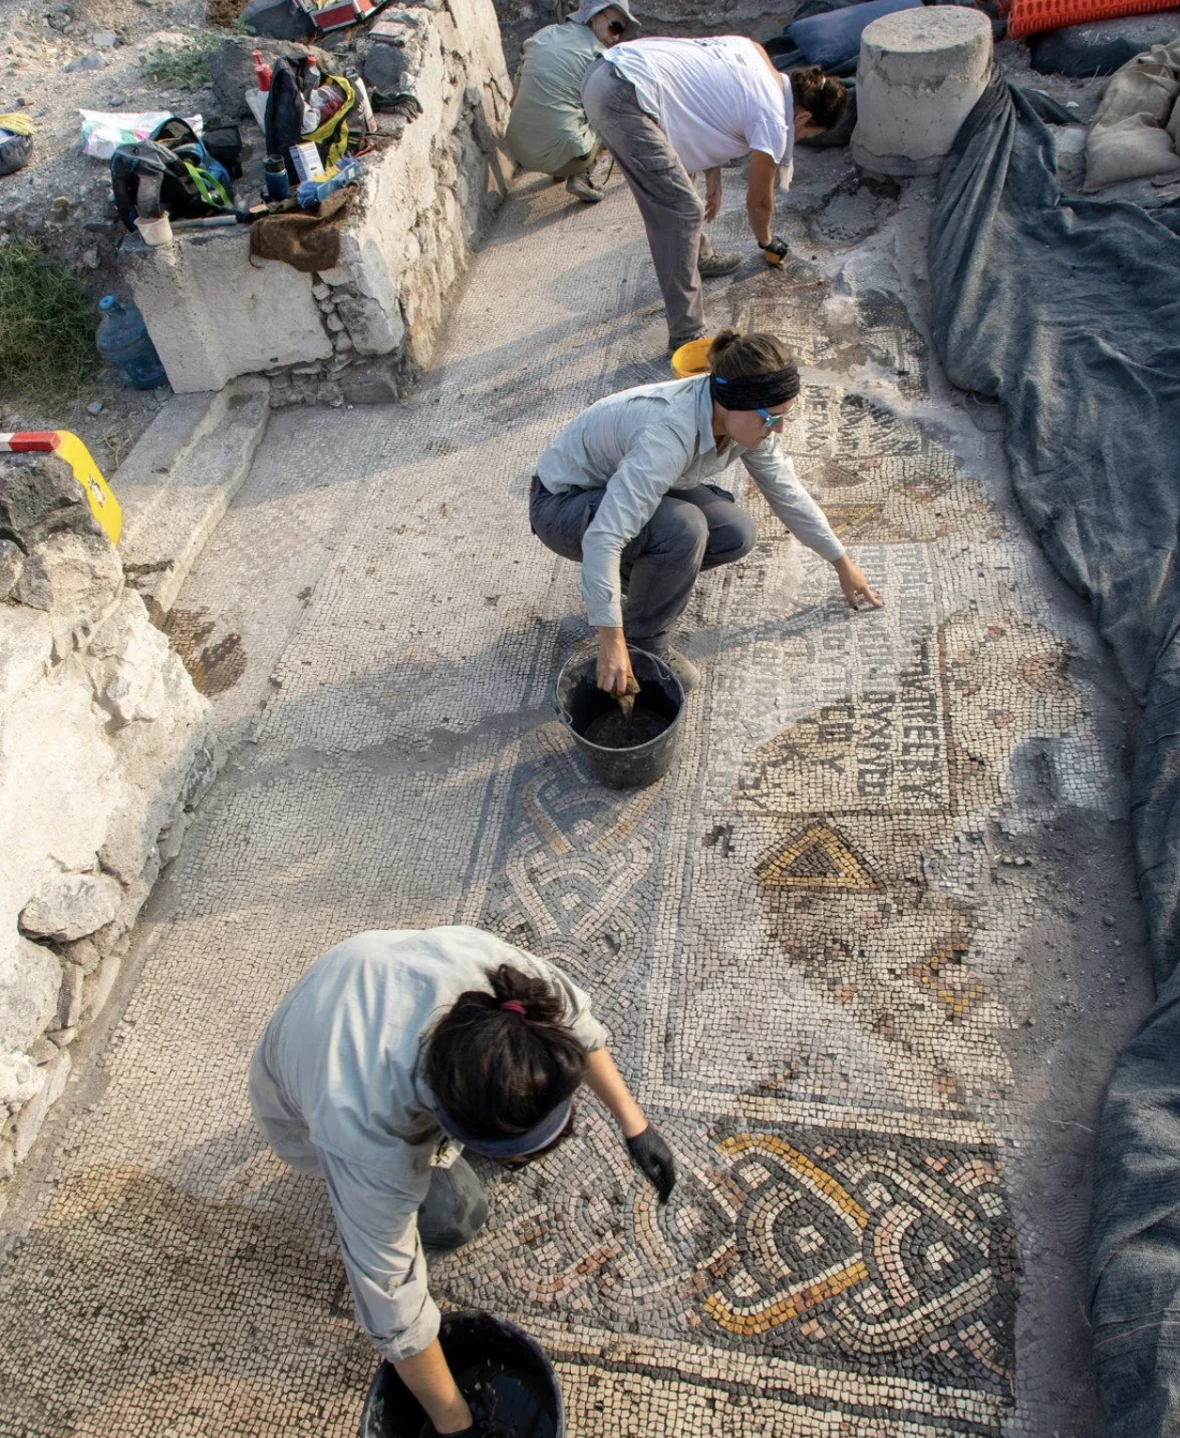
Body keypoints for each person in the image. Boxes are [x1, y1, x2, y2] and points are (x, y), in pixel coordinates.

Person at [249, 924, 675, 1437]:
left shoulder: (504, 987)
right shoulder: (363, 1133)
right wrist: (455, 1423)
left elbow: (576, 1022)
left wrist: (635, 1125)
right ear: (447, 1125)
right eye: (518, 1156)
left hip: (362, 977)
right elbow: (392, 1306)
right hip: (302, 1078)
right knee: (458, 1216)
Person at [529, 328, 882, 697]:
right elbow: (606, 535)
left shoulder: (742, 419)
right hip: (561, 506)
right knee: (684, 528)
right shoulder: (668, 434)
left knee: (734, 532)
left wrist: (841, 562)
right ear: (733, 403)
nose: (778, 428)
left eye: (783, 415)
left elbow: (787, 492)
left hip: (613, 490)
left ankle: (640, 582)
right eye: (770, 417)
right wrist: (611, 641)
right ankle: (643, 643)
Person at [582, 37, 848, 351]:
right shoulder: (773, 119)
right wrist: (766, 241)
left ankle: (700, 258)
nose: (799, 138)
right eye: (806, 134)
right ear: (803, 117)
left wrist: (713, 172)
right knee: (680, 209)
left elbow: (707, 103)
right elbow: (759, 200)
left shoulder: (756, 54)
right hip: (625, 96)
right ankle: (687, 335)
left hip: (606, 73)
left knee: (675, 184)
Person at [504, 2, 640, 205]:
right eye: (615, 27)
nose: (617, 37)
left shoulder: (544, 35)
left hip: (518, 147)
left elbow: (514, 99)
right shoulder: (601, 57)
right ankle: (582, 176)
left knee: (560, 100)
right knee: (612, 113)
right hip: (566, 154)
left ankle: (557, 169)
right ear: (595, 16)